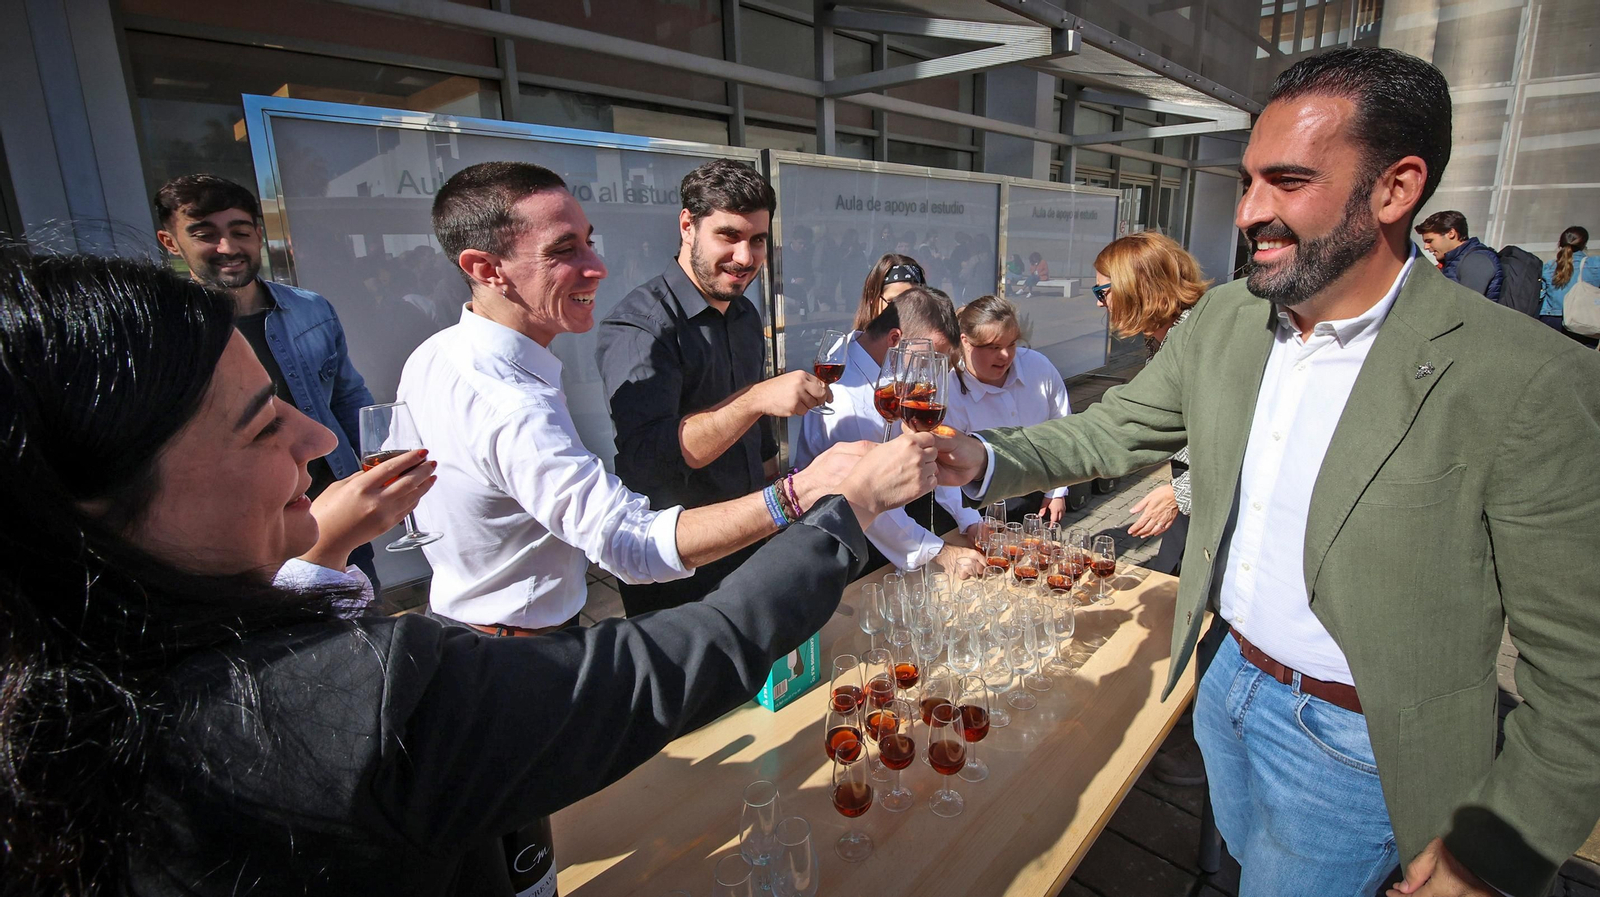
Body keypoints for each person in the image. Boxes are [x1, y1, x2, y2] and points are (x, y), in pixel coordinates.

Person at [0, 252, 935, 895]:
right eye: (259, 425)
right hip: (503, 664)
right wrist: (832, 508)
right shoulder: (340, 708)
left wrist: (317, 552)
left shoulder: (73, 690)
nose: (317, 437)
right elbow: (667, 640)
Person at [933, 47, 1600, 897]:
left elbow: (1582, 672)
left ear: (1396, 189)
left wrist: (1495, 855)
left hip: (1356, 742)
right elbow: (1116, 429)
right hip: (1220, 679)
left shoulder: (1527, 377)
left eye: (1288, 181)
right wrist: (985, 456)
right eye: (1249, 181)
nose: (1250, 211)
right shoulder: (1225, 317)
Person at [397, 161, 866, 637]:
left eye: (758, 240)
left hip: (731, 540)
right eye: (564, 249)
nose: (598, 267)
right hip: (608, 601)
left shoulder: (437, 356)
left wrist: (770, 493)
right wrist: (794, 489)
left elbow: (414, 498)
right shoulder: (611, 344)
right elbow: (630, 534)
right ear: (688, 226)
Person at [597, 160, 828, 615]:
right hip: (678, 562)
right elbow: (651, 459)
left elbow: (759, 438)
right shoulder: (641, 326)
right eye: (729, 235)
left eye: (757, 240)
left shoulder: (743, 313)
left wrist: (776, 508)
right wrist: (757, 399)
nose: (745, 257)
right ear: (688, 226)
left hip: (751, 535)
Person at [154, 174, 385, 591]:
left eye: (240, 232)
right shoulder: (168, 332)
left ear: (259, 235)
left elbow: (347, 396)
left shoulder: (310, 309)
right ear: (170, 242)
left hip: (331, 506)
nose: (228, 247)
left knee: (361, 613)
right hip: (244, 526)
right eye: (205, 234)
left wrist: (381, 469)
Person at [794, 286, 985, 574]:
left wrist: (968, 518)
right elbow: (868, 493)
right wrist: (938, 551)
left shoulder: (883, 367)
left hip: (887, 531)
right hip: (839, 544)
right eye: (927, 358)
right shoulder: (847, 396)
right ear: (895, 340)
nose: (930, 375)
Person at [1089, 231, 1212, 574]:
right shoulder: (1164, 338)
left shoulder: (1199, 343)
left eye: (1102, 292)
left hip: (1210, 495)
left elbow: (1240, 439)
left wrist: (1180, 493)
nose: (1100, 304)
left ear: (1136, 287)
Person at [942, 295, 1073, 534]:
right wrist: (971, 523)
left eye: (1012, 344)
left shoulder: (1038, 367)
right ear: (966, 342)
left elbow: (1063, 429)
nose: (1005, 355)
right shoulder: (950, 391)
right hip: (976, 506)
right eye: (994, 347)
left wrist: (1056, 492)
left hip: (1038, 495)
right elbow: (946, 473)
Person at [1414, 209, 1502, 302]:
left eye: (1429, 241)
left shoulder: (1477, 260)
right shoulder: (1453, 262)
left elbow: (1468, 305)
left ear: (1451, 233)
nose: (1426, 247)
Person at [1538, 225, 1600, 349]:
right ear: (1584, 244)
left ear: (1560, 243)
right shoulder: (1595, 264)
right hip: (1581, 321)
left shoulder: (1549, 266)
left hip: (1551, 320)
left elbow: (1541, 294)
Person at [850, 253, 926, 332]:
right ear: (873, 298)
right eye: (894, 302)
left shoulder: (928, 338)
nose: (905, 311)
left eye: (913, 302)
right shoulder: (851, 340)